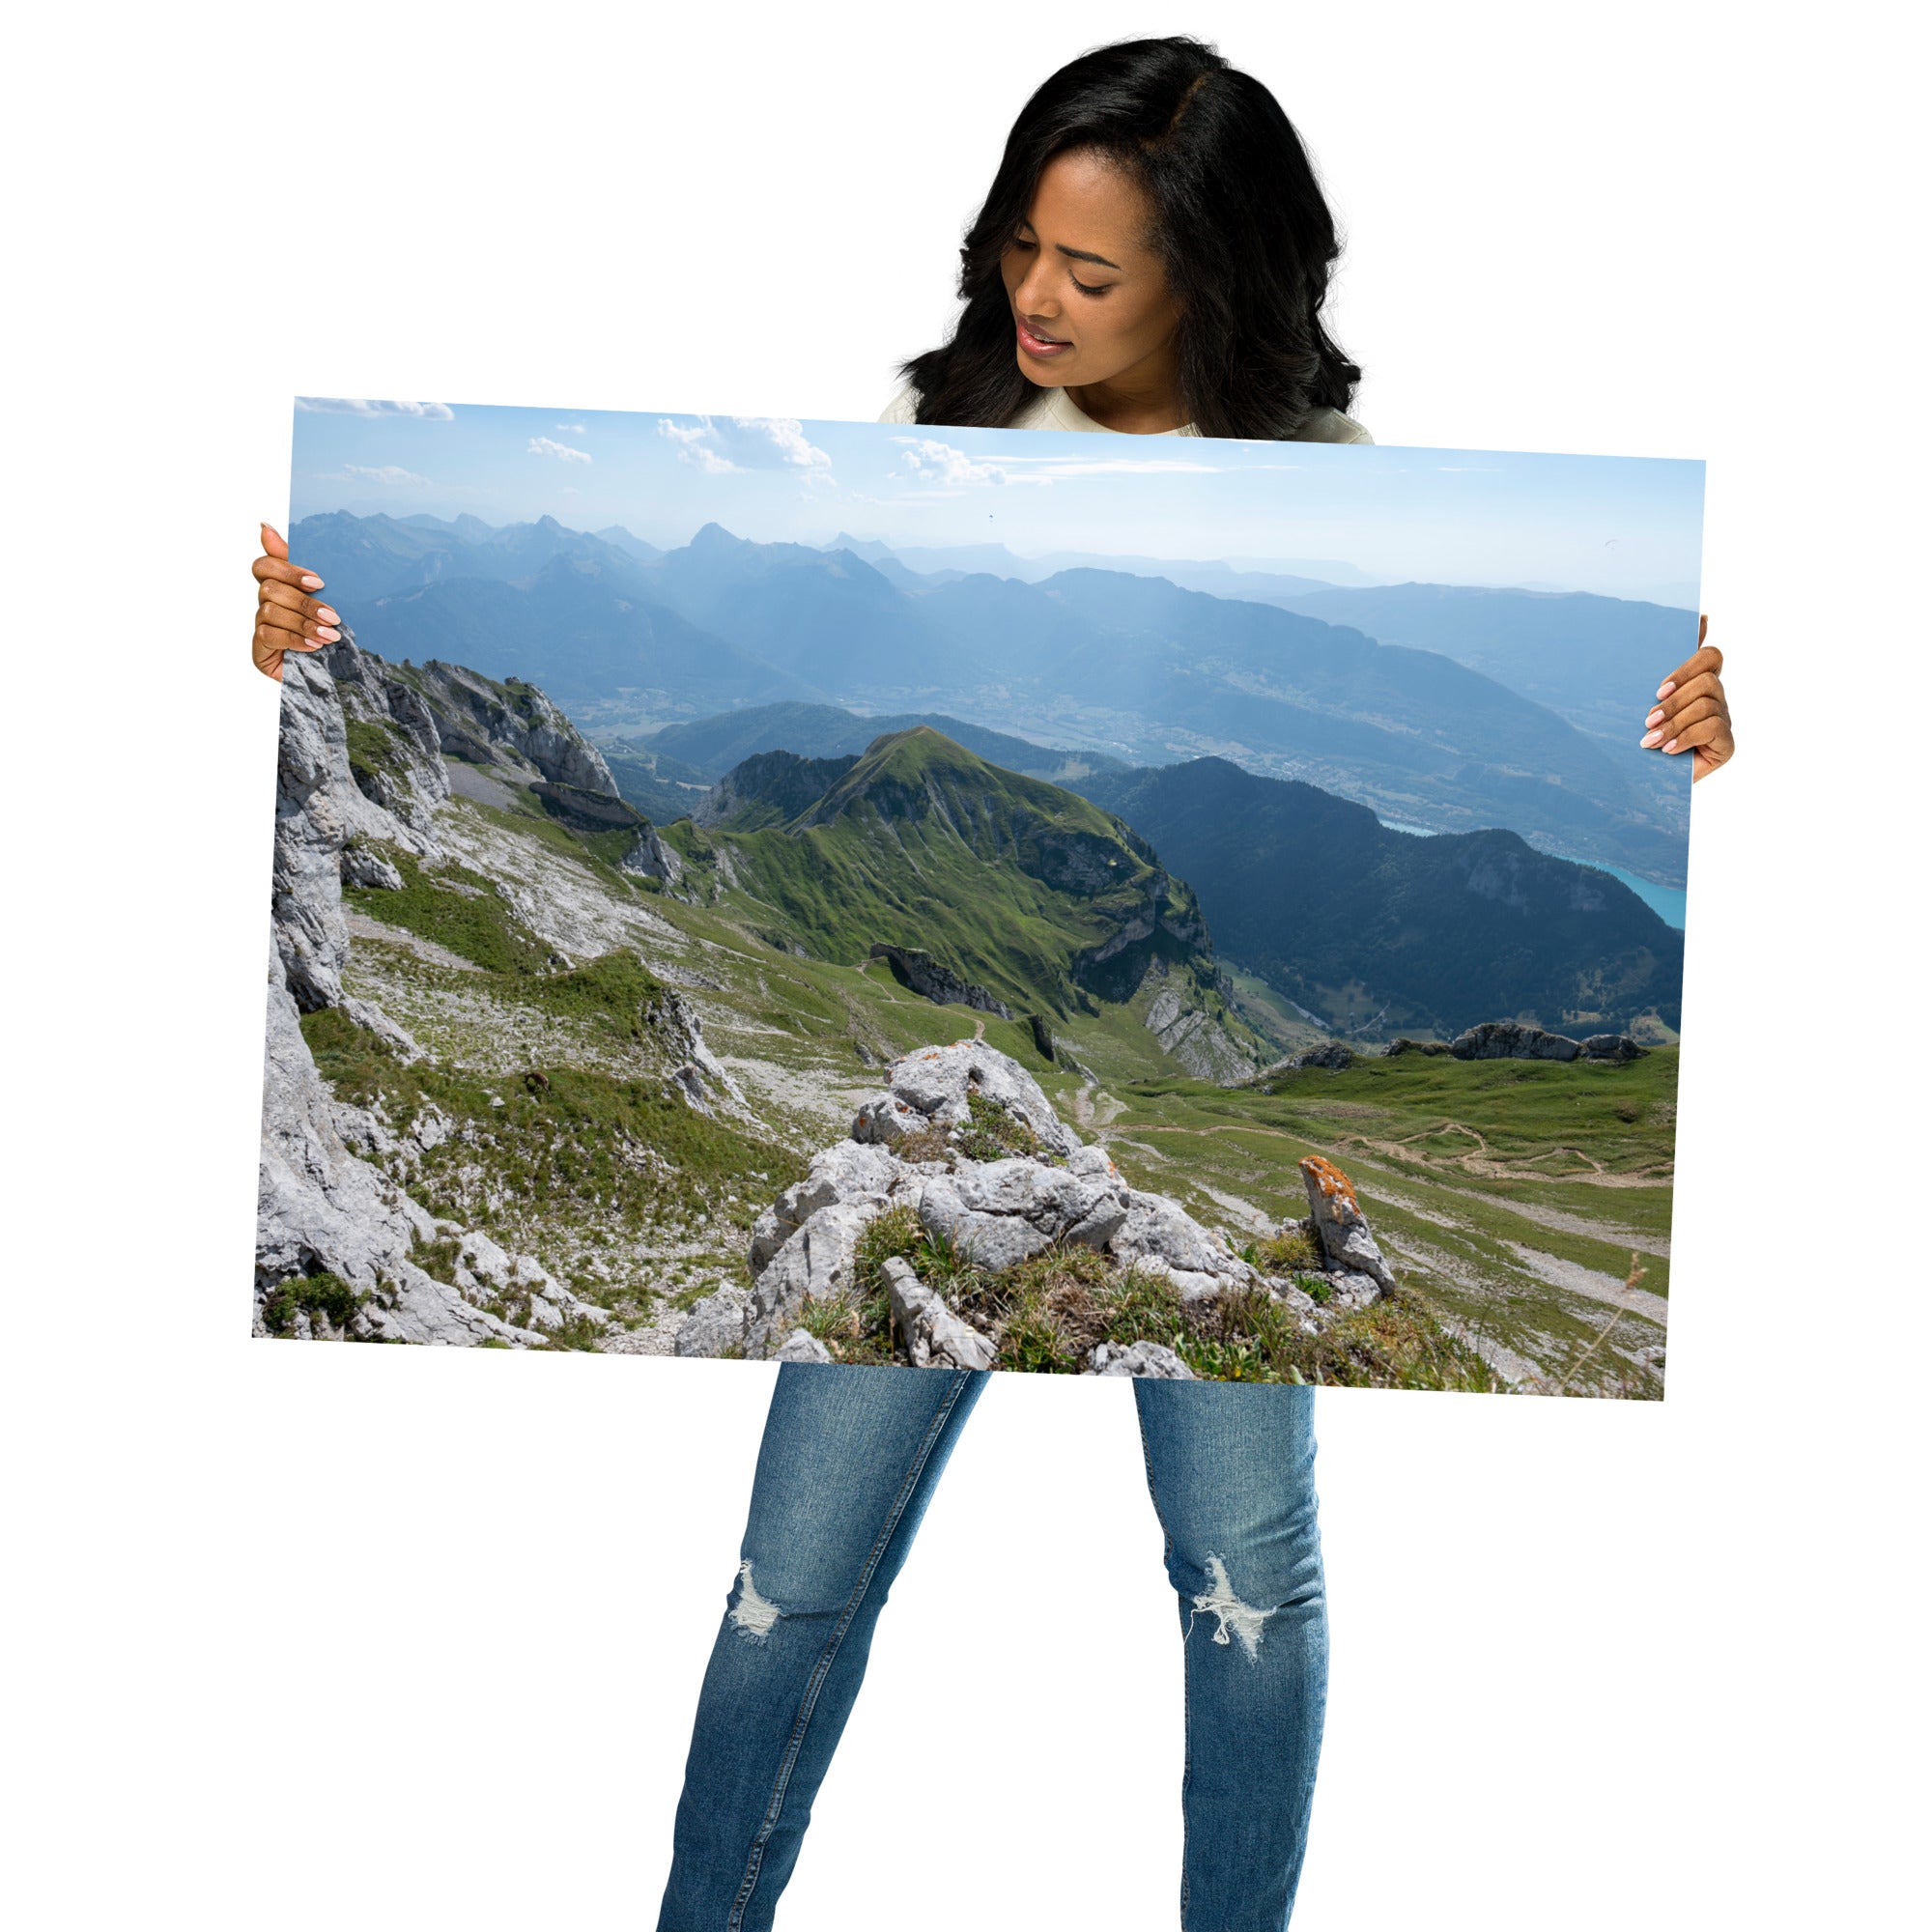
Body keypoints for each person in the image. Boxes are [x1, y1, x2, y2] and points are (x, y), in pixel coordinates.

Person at [246, 37, 1735, 1931]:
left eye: (1090, 273)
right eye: (1023, 245)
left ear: (1217, 275)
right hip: (943, 1128)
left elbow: (1680, 737)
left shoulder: (1327, 471)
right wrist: (292, 649)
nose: (1034, 297)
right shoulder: (934, 416)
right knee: (790, 1578)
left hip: (1159, 1189)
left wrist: (1697, 737)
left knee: (1244, 1578)